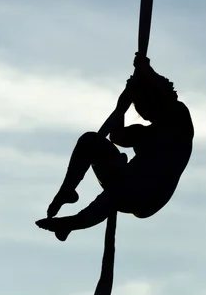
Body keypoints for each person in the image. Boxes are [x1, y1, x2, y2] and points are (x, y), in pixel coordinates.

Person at [36, 54, 194, 241]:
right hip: (127, 179)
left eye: (140, 104)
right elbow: (117, 136)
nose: (140, 111)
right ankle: (67, 191)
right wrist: (122, 106)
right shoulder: (143, 133)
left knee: (117, 194)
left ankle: (74, 223)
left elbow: (165, 95)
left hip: (150, 194)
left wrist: (146, 70)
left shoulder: (179, 120)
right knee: (90, 141)